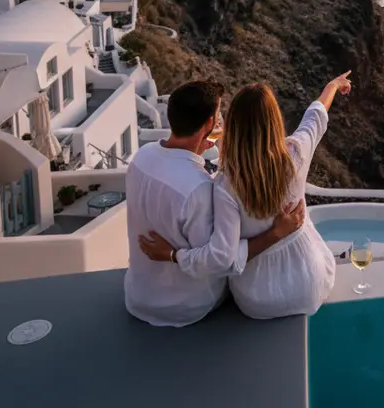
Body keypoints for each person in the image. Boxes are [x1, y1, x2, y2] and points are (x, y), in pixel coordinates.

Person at [139, 72, 351, 319]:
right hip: (309, 281)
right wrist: (333, 85)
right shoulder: (297, 152)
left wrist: (173, 254)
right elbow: (315, 115)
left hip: (259, 297)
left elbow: (223, 257)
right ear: (275, 121)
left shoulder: (225, 185)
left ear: (234, 126)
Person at [125, 80, 304, 327]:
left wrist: (196, 149)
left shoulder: (141, 157)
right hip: (186, 306)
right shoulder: (199, 189)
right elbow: (221, 261)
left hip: (138, 295)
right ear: (209, 124)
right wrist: (276, 232)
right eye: (218, 115)